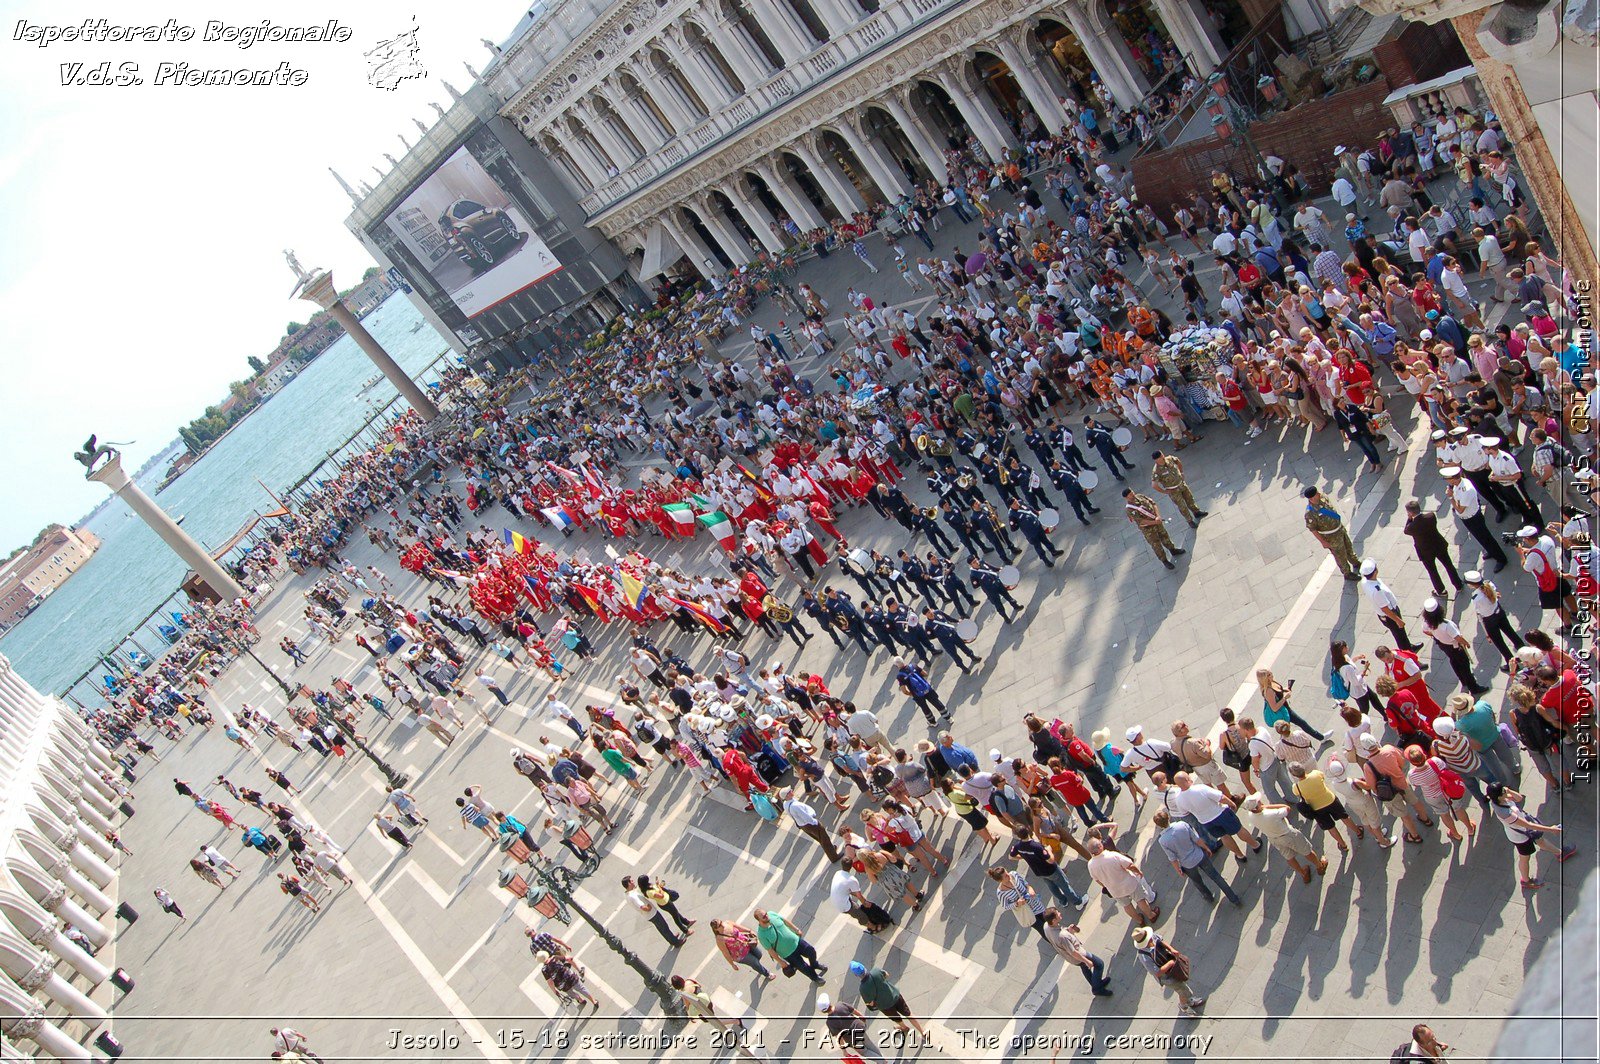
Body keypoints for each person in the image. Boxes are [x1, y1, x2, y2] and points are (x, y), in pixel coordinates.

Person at [1486, 783, 1576, 890]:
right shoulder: (1506, 813)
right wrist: (1551, 829)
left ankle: (1559, 853)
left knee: (1540, 840)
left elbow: (1519, 798)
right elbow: (1528, 825)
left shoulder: (1500, 799)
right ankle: (1526, 881)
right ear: (1499, 796)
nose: (1505, 790)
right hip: (1521, 837)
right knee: (1524, 859)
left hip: (1524, 829)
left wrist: (1508, 791)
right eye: (1503, 790)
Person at [1153, 809, 1242, 905]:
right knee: (1216, 877)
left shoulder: (1162, 840)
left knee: (1198, 882)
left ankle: (1208, 897)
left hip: (1187, 864)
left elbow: (1172, 858)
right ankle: (1233, 898)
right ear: (1168, 817)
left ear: (1158, 825)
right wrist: (1206, 848)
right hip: (1199, 856)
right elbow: (1196, 839)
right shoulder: (1182, 825)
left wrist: (1178, 869)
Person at [1238, 793, 1327, 884]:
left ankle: (1303, 873)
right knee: (1306, 850)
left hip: (1274, 839)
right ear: (1258, 805)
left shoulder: (1251, 816)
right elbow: (1286, 808)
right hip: (1288, 834)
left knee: (1289, 857)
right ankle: (1319, 866)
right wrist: (1266, 806)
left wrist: (1260, 807)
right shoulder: (1270, 813)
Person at [1131, 926, 1205, 1017]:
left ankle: (1189, 1000)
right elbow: (1157, 972)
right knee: (1182, 990)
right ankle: (1184, 1006)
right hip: (1166, 977)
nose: (1151, 940)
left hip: (1172, 966)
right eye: (1147, 940)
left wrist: (1171, 949)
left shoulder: (1151, 936)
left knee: (1183, 986)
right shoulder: (1144, 956)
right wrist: (1170, 964)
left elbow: (1160, 941)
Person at [1085, 837, 1159, 925]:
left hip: (1114, 890)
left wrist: (1106, 885)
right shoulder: (1112, 855)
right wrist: (1138, 872)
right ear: (1100, 847)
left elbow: (1097, 880)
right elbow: (1129, 865)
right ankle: (1151, 915)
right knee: (1140, 900)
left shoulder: (1090, 865)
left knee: (1127, 906)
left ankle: (1139, 920)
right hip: (1129, 883)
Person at [1040, 906, 1112, 996]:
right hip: (1079, 955)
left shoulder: (1046, 926)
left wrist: (1068, 930)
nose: (1060, 913)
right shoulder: (1062, 936)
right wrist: (1086, 960)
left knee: (1085, 968)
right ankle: (1097, 988)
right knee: (1099, 964)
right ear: (1054, 920)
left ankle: (1096, 983)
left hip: (1070, 957)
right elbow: (1073, 952)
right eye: (1057, 913)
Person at [852, 960, 926, 1035]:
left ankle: (904, 1027)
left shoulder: (862, 988)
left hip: (885, 1006)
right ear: (864, 967)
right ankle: (922, 1031)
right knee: (908, 1014)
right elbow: (887, 975)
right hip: (895, 995)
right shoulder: (876, 971)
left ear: (856, 975)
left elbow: (870, 1003)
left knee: (896, 1018)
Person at [753, 909, 827, 981]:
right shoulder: (761, 934)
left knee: (811, 951)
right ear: (759, 920)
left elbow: (785, 921)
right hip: (788, 953)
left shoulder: (771, 914)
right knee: (803, 967)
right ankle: (815, 977)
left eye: (766, 913)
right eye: (764, 916)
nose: (767, 916)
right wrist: (780, 962)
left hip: (796, 941)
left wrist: (796, 929)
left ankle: (814, 964)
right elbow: (770, 950)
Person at [1303, 486, 1361, 580]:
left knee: (1348, 547)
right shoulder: (1310, 513)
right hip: (1331, 537)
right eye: (1316, 494)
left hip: (1339, 529)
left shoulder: (1323, 497)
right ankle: (1347, 573)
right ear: (1311, 498)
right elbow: (1313, 529)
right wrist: (1323, 542)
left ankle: (1355, 562)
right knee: (1340, 556)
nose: (1319, 494)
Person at [988, 864, 1050, 939]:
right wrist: (1017, 903)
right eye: (1005, 876)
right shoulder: (1001, 892)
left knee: (1049, 921)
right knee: (1042, 929)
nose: (1008, 876)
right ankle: (1054, 943)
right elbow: (1006, 906)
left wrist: (1030, 889)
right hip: (1026, 912)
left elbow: (1025, 883)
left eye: (1007, 873)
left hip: (1035, 903)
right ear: (1000, 880)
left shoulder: (1014, 874)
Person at [623, 875, 688, 946]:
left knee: (661, 928)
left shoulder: (628, 894)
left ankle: (671, 939)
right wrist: (649, 907)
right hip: (651, 914)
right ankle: (676, 942)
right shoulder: (633, 896)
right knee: (664, 927)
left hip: (649, 915)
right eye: (631, 881)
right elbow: (642, 907)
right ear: (629, 884)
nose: (633, 882)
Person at [710, 918, 774, 981]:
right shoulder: (719, 939)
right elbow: (725, 952)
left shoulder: (728, 923)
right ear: (716, 929)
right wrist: (732, 964)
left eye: (721, 922)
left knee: (759, 954)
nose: (722, 924)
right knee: (754, 961)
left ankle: (758, 967)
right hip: (740, 955)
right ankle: (767, 974)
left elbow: (739, 927)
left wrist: (749, 931)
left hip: (746, 943)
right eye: (720, 925)